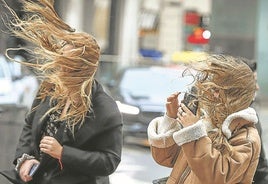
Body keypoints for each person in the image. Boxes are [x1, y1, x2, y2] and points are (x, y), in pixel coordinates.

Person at [0, 0, 123, 184]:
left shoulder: (105, 108)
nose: (61, 71)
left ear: (83, 70)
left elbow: (109, 161)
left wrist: (63, 153)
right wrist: (25, 159)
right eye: (61, 63)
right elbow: (29, 124)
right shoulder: (51, 88)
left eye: (68, 67)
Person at [147, 54, 261, 184]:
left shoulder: (246, 137)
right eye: (212, 88)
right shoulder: (205, 122)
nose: (213, 94)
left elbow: (217, 177)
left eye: (219, 90)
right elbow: (166, 158)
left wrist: (192, 131)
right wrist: (171, 119)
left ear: (236, 95)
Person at [243, 59, 268, 184]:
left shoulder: (252, 115)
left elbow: (260, 164)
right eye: (254, 81)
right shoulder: (247, 117)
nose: (257, 87)